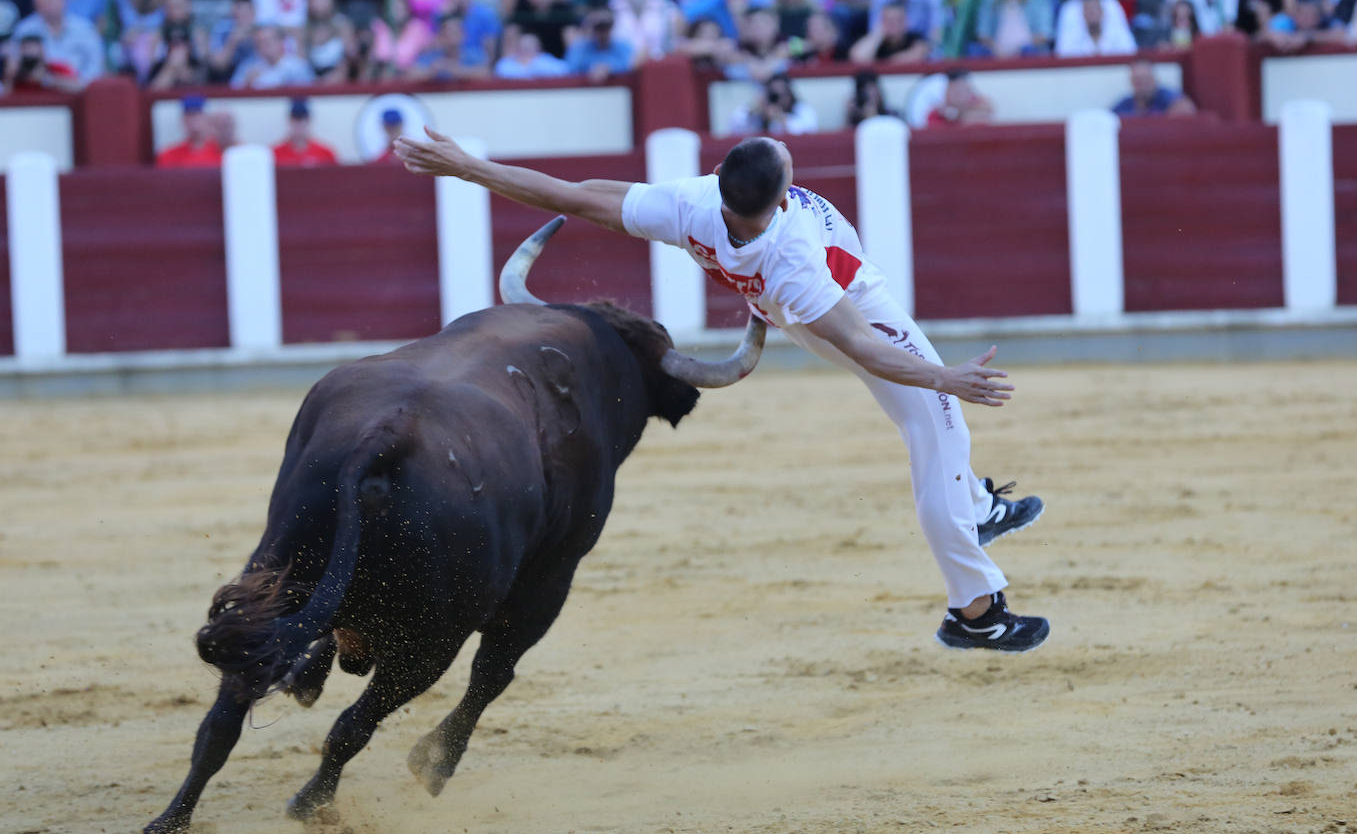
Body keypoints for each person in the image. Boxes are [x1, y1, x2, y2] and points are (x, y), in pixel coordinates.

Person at [392, 129, 1050, 653]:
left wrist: (468, 168)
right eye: (783, 156)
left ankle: (976, 507)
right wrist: (945, 377)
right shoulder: (791, 255)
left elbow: (574, 194)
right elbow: (862, 343)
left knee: (933, 430)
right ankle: (976, 612)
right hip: (855, 313)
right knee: (937, 426)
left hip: (811, 315)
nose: (788, 150)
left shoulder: (696, 205)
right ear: (781, 193)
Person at [1111, 59, 1196, 117]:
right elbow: (1108, 118)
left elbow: (1187, 109)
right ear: (1132, 82)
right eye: (1138, 81)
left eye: (1146, 79)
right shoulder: (1125, 105)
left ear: (1155, 80)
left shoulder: (1168, 97)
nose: (1143, 85)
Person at [156, 94, 223, 167]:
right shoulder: (168, 155)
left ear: (206, 117)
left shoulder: (222, 152)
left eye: (198, 113)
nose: (194, 119)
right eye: (189, 114)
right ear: (183, 119)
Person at [273, 97, 339, 166]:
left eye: (303, 118)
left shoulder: (326, 154)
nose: (299, 123)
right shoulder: (274, 154)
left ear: (309, 120)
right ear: (289, 120)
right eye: (295, 118)